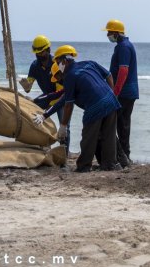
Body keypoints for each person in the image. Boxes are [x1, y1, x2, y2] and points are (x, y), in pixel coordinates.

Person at [54, 45, 121, 173]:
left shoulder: (69, 76)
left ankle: (84, 166)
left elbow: (68, 104)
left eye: (58, 63)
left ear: (64, 60)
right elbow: (109, 75)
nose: (58, 66)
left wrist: (63, 126)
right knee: (109, 136)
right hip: (111, 101)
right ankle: (109, 165)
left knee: (88, 137)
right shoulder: (89, 63)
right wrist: (111, 94)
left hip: (95, 106)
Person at [105, 19, 138, 163]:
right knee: (122, 124)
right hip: (127, 91)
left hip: (124, 92)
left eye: (109, 32)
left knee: (121, 125)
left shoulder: (123, 47)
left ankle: (124, 156)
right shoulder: (123, 45)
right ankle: (124, 155)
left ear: (116, 33)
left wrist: (116, 92)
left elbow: (123, 70)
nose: (108, 35)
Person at [19, 35, 62, 111]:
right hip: (47, 96)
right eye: (37, 53)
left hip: (61, 96)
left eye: (41, 52)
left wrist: (49, 109)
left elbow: (60, 89)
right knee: (30, 108)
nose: (39, 55)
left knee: (63, 122)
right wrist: (26, 86)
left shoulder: (56, 64)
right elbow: (28, 89)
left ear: (48, 50)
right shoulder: (34, 66)